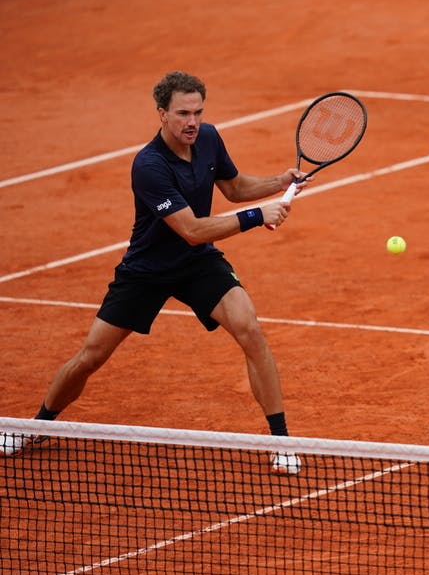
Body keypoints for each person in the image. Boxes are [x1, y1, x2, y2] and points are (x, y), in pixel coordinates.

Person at [2, 71, 304, 475]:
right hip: (147, 270)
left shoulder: (209, 137)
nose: (192, 122)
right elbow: (193, 230)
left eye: (198, 112)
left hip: (196, 265)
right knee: (92, 356)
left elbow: (232, 188)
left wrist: (278, 181)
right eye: (182, 113)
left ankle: (282, 441)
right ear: (162, 114)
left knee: (249, 327)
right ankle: (35, 425)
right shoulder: (149, 166)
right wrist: (255, 217)